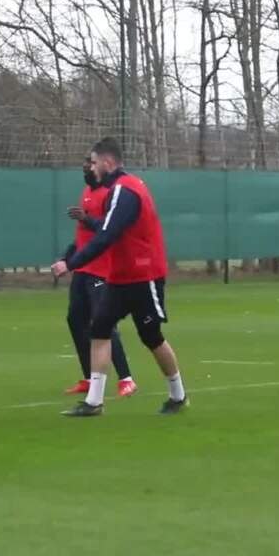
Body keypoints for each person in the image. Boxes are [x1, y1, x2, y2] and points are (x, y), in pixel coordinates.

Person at [51, 138, 186, 417]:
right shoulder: (116, 190)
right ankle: (94, 402)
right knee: (99, 328)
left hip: (144, 275)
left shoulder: (127, 190)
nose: (91, 167)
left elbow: (106, 235)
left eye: (94, 162)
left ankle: (178, 395)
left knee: (151, 336)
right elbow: (107, 228)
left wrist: (71, 263)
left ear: (108, 162)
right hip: (121, 276)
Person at [57, 155, 136, 397]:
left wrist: (87, 218)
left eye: (90, 165)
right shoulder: (86, 193)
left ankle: (126, 379)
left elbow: (108, 229)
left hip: (102, 269)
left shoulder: (111, 193)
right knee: (75, 320)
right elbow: (81, 237)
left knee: (103, 323)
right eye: (85, 166)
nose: (87, 169)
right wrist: (66, 258)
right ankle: (89, 378)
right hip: (83, 269)